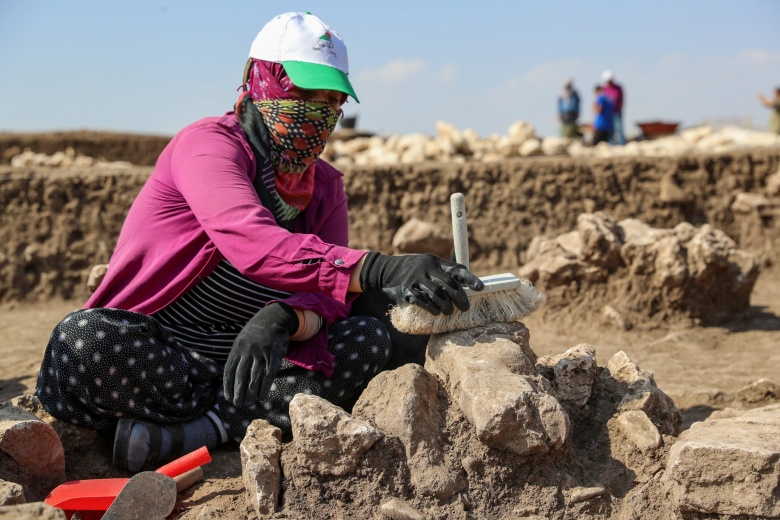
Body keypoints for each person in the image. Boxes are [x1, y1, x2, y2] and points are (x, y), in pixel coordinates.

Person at [35, 11, 483, 473]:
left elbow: (323, 300)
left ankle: (194, 431)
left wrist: (282, 317)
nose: (319, 112)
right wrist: (382, 268)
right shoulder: (207, 147)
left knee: (366, 338)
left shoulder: (324, 187)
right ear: (259, 79)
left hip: (253, 361)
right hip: (168, 349)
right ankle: (218, 423)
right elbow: (253, 241)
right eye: (304, 93)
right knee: (84, 340)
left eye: (332, 100)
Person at [601, 70, 626, 145]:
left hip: (617, 111)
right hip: (608, 113)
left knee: (619, 128)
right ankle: (611, 143)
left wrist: (620, 108)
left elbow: (622, 99)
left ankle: (622, 143)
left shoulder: (618, 88)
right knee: (610, 129)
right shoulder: (604, 89)